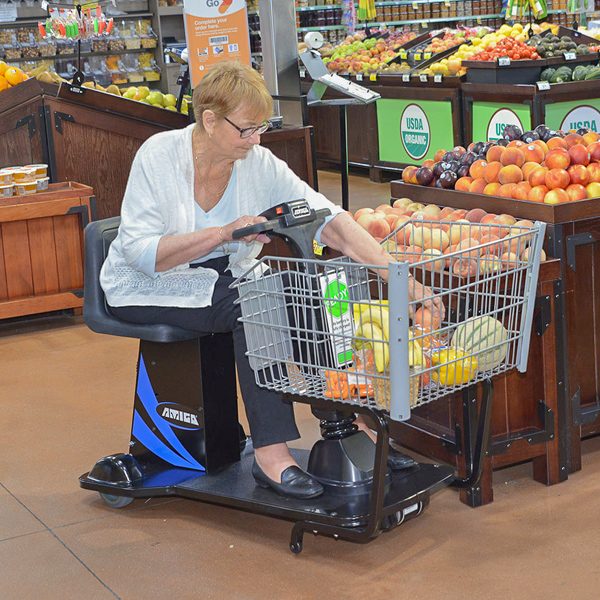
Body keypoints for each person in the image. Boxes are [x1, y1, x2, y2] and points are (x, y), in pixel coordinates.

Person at [100, 61, 442, 500]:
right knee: (255, 304)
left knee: (307, 289)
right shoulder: (159, 156)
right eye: (246, 129)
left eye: (260, 127)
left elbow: (329, 220)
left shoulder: (256, 162)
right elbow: (143, 253)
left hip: (226, 276)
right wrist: (223, 234)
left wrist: (403, 282)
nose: (255, 139)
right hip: (149, 281)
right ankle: (272, 454)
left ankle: (347, 425)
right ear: (209, 120)